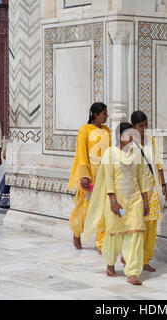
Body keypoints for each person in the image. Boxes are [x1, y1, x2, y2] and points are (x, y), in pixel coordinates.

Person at [83, 122, 151, 285]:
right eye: (130, 135)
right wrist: (113, 201)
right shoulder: (110, 154)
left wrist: (145, 201)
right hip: (116, 201)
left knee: (136, 232)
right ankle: (110, 264)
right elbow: (109, 179)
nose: (133, 138)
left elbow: (142, 177)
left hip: (134, 200)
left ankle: (133, 272)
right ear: (121, 137)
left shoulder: (137, 154)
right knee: (115, 232)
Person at [67, 102, 111, 252]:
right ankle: (77, 233)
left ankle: (101, 243)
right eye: (104, 113)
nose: (107, 116)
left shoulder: (107, 130)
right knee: (86, 208)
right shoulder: (84, 130)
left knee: (103, 209)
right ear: (96, 115)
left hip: (104, 175)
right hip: (89, 176)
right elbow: (81, 154)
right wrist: (85, 175)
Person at [130, 111, 167, 272]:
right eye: (141, 126)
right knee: (139, 226)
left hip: (153, 188)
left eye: (146, 125)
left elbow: (158, 164)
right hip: (137, 190)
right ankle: (132, 258)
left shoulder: (151, 141)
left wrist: (164, 185)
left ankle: (145, 260)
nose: (144, 128)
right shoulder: (130, 144)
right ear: (133, 126)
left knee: (151, 226)